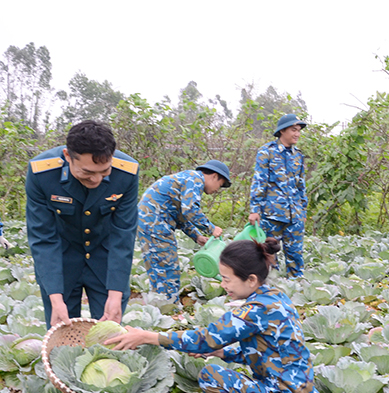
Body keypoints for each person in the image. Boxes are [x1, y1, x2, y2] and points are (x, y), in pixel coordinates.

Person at [107, 238, 318, 393]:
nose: (222, 285)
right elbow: (270, 354)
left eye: (227, 279)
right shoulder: (277, 298)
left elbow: (205, 339)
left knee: (210, 376)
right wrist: (222, 354)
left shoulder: (254, 310)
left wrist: (147, 337)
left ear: (251, 280)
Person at [25, 120, 139, 328]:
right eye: (87, 172)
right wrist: (55, 298)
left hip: (105, 259)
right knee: (61, 332)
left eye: (104, 171)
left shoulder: (126, 173)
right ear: (68, 156)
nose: (96, 179)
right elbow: (43, 237)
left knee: (110, 333)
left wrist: (116, 293)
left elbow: (123, 233)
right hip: (61, 258)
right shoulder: (42, 173)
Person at [137, 160, 229, 304]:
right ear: (214, 176)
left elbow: (182, 215)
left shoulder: (187, 178)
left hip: (148, 223)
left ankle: (158, 304)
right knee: (168, 268)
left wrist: (197, 236)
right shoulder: (195, 179)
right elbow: (190, 210)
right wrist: (211, 229)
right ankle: (168, 307)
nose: (218, 189)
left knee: (157, 268)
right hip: (156, 224)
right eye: (221, 184)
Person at [249, 113, 308, 278]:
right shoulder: (266, 152)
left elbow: (301, 185)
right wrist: (255, 210)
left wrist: (303, 210)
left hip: (294, 215)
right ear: (282, 131)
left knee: (296, 255)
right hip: (272, 214)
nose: (297, 134)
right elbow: (259, 182)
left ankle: (297, 290)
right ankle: (271, 290)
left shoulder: (298, 155)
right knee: (269, 255)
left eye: (299, 131)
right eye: (293, 130)